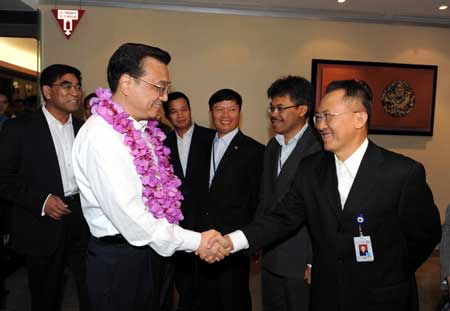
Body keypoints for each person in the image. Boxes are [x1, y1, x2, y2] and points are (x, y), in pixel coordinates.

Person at [217, 79, 441, 311]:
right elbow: (282, 218)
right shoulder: (310, 169)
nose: (321, 125)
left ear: (359, 118)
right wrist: (231, 241)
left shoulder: (402, 173)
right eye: (318, 118)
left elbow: (426, 233)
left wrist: (389, 270)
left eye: (328, 116)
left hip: (383, 297)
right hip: (326, 295)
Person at [71, 43, 227, 311]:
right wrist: (197, 241)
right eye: (160, 87)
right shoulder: (102, 136)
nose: (165, 97)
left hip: (154, 253)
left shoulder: (145, 130)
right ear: (127, 83)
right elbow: (132, 219)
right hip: (122, 262)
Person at [0, 64, 90, 311]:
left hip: (84, 220)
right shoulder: (19, 128)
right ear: (47, 92)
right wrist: (41, 201)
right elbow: (4, 177)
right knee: (46, 293)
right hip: (41, 223)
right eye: (67, 85)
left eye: (78, 86)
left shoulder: (85, 130)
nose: (75, 92)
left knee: (91, 289)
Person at [195, 88, 264, 311]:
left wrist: (253, 241)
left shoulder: (255, 150)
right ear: (211, 113)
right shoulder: (202, 145)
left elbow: (257, 200)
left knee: (234, 298)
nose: (225, 115)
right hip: (201, 239)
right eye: (219, 110)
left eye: (231, 109)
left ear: (239, 112)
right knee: (205, 298)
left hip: (233, 240)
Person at [258, 76, 322, 311]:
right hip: (271, 255)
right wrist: (257, 242)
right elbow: (266, 198)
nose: (274, 113)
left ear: (302, 109)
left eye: (280, 108)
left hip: (300, 261)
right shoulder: (273, 146)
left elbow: (322, 211)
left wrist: (313, 261)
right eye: (272, 107)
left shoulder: (319, 148)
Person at [162, 91, 214, 311]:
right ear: (167, 116)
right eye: (174, 111)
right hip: (177, 221)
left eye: (184, 109)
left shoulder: (211, 138)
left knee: (207, 279)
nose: (180, 115)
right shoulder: (162, 144)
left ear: (190, 110)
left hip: (206, 218)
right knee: (182, 279)